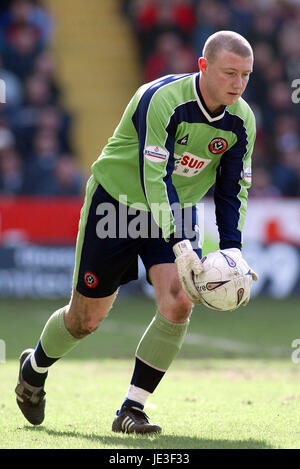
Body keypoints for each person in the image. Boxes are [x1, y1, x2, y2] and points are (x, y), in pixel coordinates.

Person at [15, 30, 258, 435]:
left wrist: (232, 251)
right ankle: (33, 369)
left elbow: (234, 188)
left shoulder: (241, 120)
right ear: (203, 66)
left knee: (179, 301)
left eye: (246, 75)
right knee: (84, 320)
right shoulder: (161, 99)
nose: (238, 84)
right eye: (229, 73)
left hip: (175, 208)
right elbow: (153, 177)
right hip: (119, 202)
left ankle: (132, 409)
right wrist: (181, 245)